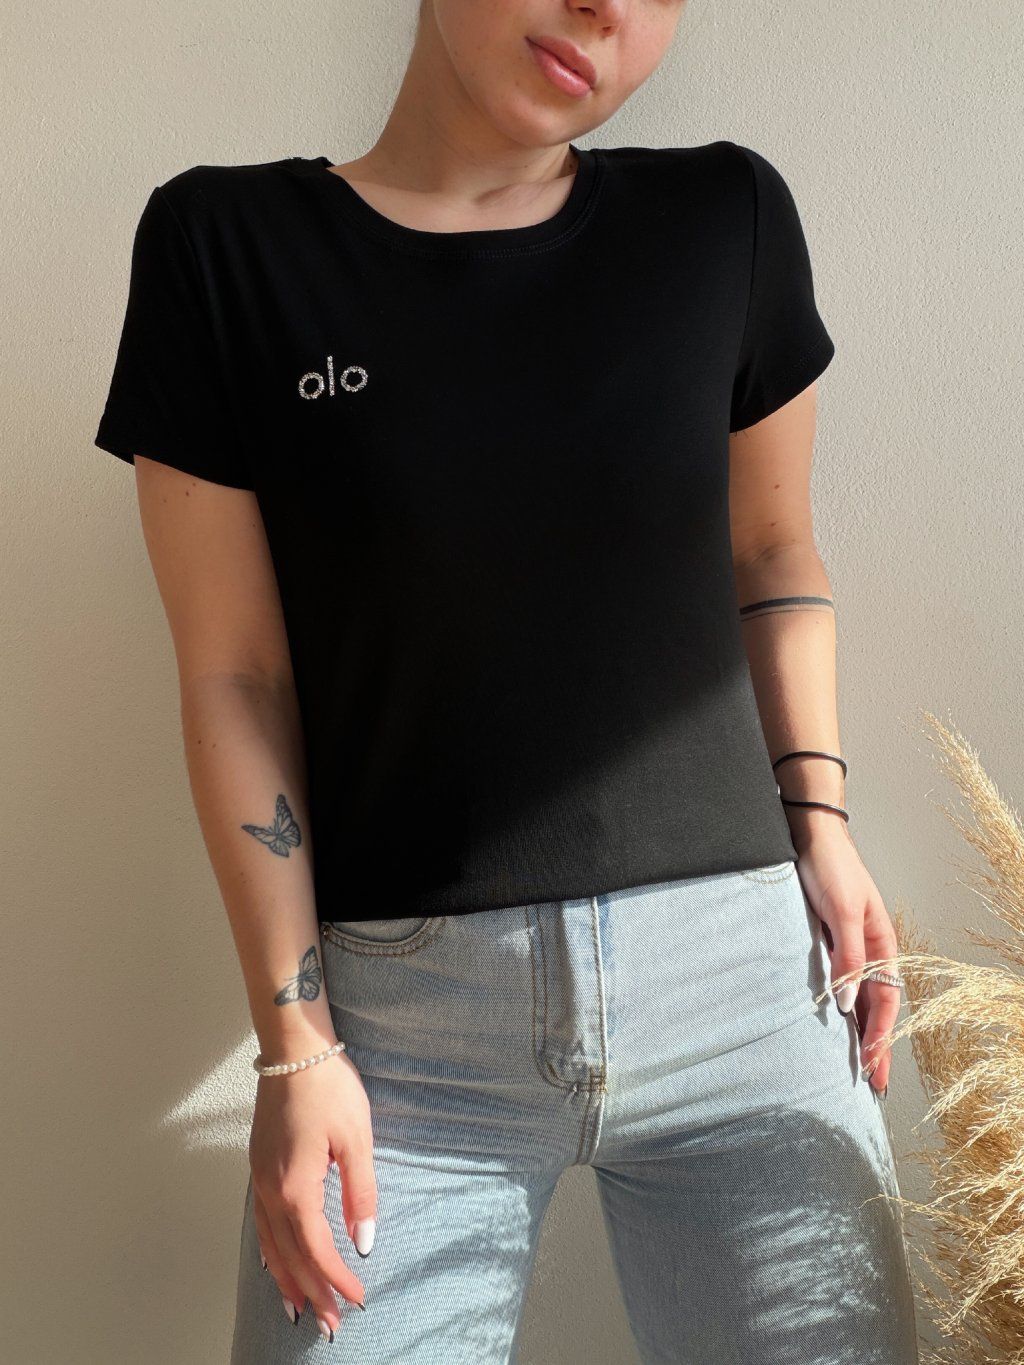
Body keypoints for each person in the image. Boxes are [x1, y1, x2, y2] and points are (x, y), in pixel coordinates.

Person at [93, 0, 920, 1360]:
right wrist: (295, 1045)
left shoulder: (723, 221)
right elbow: (236, 674)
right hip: (398, 1050)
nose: (608, 10)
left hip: (747, 998)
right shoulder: (225, 247)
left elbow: (772, 552)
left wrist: (820, 825)